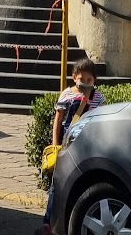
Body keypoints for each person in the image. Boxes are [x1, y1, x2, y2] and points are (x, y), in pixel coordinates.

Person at [38, 61, 104, 234]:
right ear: (74, 77)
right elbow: (58, 121)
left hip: (87, 145)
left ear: (94, 80)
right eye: (81, 79)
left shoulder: (98, 98)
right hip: (66, 144)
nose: (85, 83)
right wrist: (55, 145)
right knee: (57, 184)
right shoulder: (67, 95)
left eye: (89, 80)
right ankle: (48, 222)